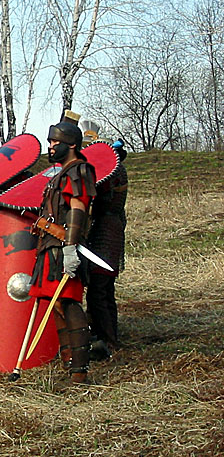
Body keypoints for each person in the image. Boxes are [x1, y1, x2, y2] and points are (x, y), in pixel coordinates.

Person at [30, 110, 97, 384]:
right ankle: (68, 359)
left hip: (63, 246)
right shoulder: (59, 175)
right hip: (49, 244)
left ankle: (80, 370)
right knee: (53, 302)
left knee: (68, 301)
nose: (50, 147)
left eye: (55, 142)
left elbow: (78, 209)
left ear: (71, 144)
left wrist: (70, 249)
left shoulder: (80, 170)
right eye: (49, 142)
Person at [86, 138, 128, 359]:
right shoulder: (117, 170)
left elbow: (99, 197)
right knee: (104, 289)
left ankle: (108, 339)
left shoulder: (114, 171)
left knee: (99, 290)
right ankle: (108, 335)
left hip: (106, 229)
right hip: (109, 226)